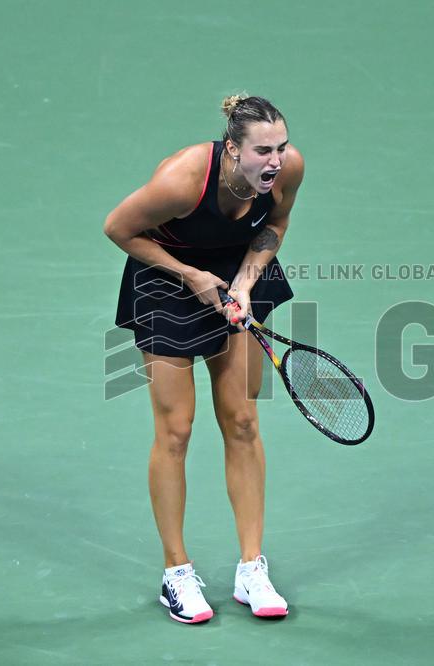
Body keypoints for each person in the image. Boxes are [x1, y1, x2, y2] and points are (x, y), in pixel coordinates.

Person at [104, 94, 303, 624]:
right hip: (167, 274)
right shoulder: (180, 181)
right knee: (177, 429)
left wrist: (245, 278)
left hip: (235, 271)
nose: (277, 160)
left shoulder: (288, 169)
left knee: (241, 420)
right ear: (232, 149)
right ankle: (176, 572)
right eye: (263, 150)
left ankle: (251, 568)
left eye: (281, 147)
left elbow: (274, 226)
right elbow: (118, 229)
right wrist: (192, 278)